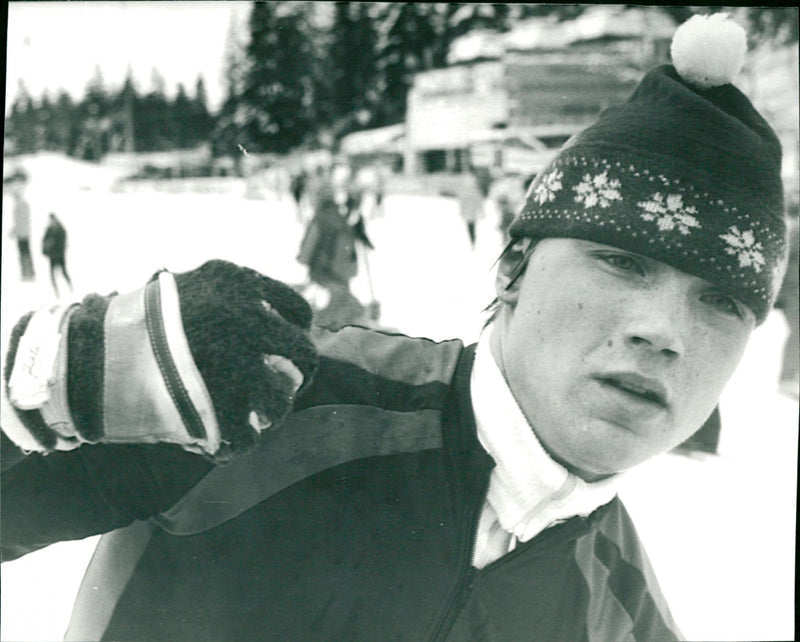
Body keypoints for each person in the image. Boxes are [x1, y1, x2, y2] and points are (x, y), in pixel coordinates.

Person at [0, 15, 789, 641]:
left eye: (722, 302)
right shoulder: (283, 411)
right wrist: (55, 392)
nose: (663, 331)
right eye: (622, 262)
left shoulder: (624, 619)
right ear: (512, 267)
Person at [296, 165, 370, 330]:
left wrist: (304, 258)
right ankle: (344, 323)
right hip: (344, 268)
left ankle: (330, 327)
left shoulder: (320, 218)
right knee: (339, 298)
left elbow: (311, 242)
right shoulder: (339, 215)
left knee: (329, 300)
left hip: (326, 268)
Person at [5, 169, 36, 281]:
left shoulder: (22, 206)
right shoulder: (21, 205)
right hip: (23, 233)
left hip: (23, 234)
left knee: (24, 254)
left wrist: (15, 231)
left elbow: (21, 222)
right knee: (25, 254)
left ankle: (27, 274)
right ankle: (28, 273)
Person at [41, 212, 74, 298]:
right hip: (52, 256)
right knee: (52, 275)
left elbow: (62, 243)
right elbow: (44, 241)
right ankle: (57, 293)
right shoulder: (49, 230)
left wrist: (56, 248)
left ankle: (71, 289)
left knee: (64, 272)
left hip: (59, 256)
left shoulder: (61, 229)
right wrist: (45, 251)